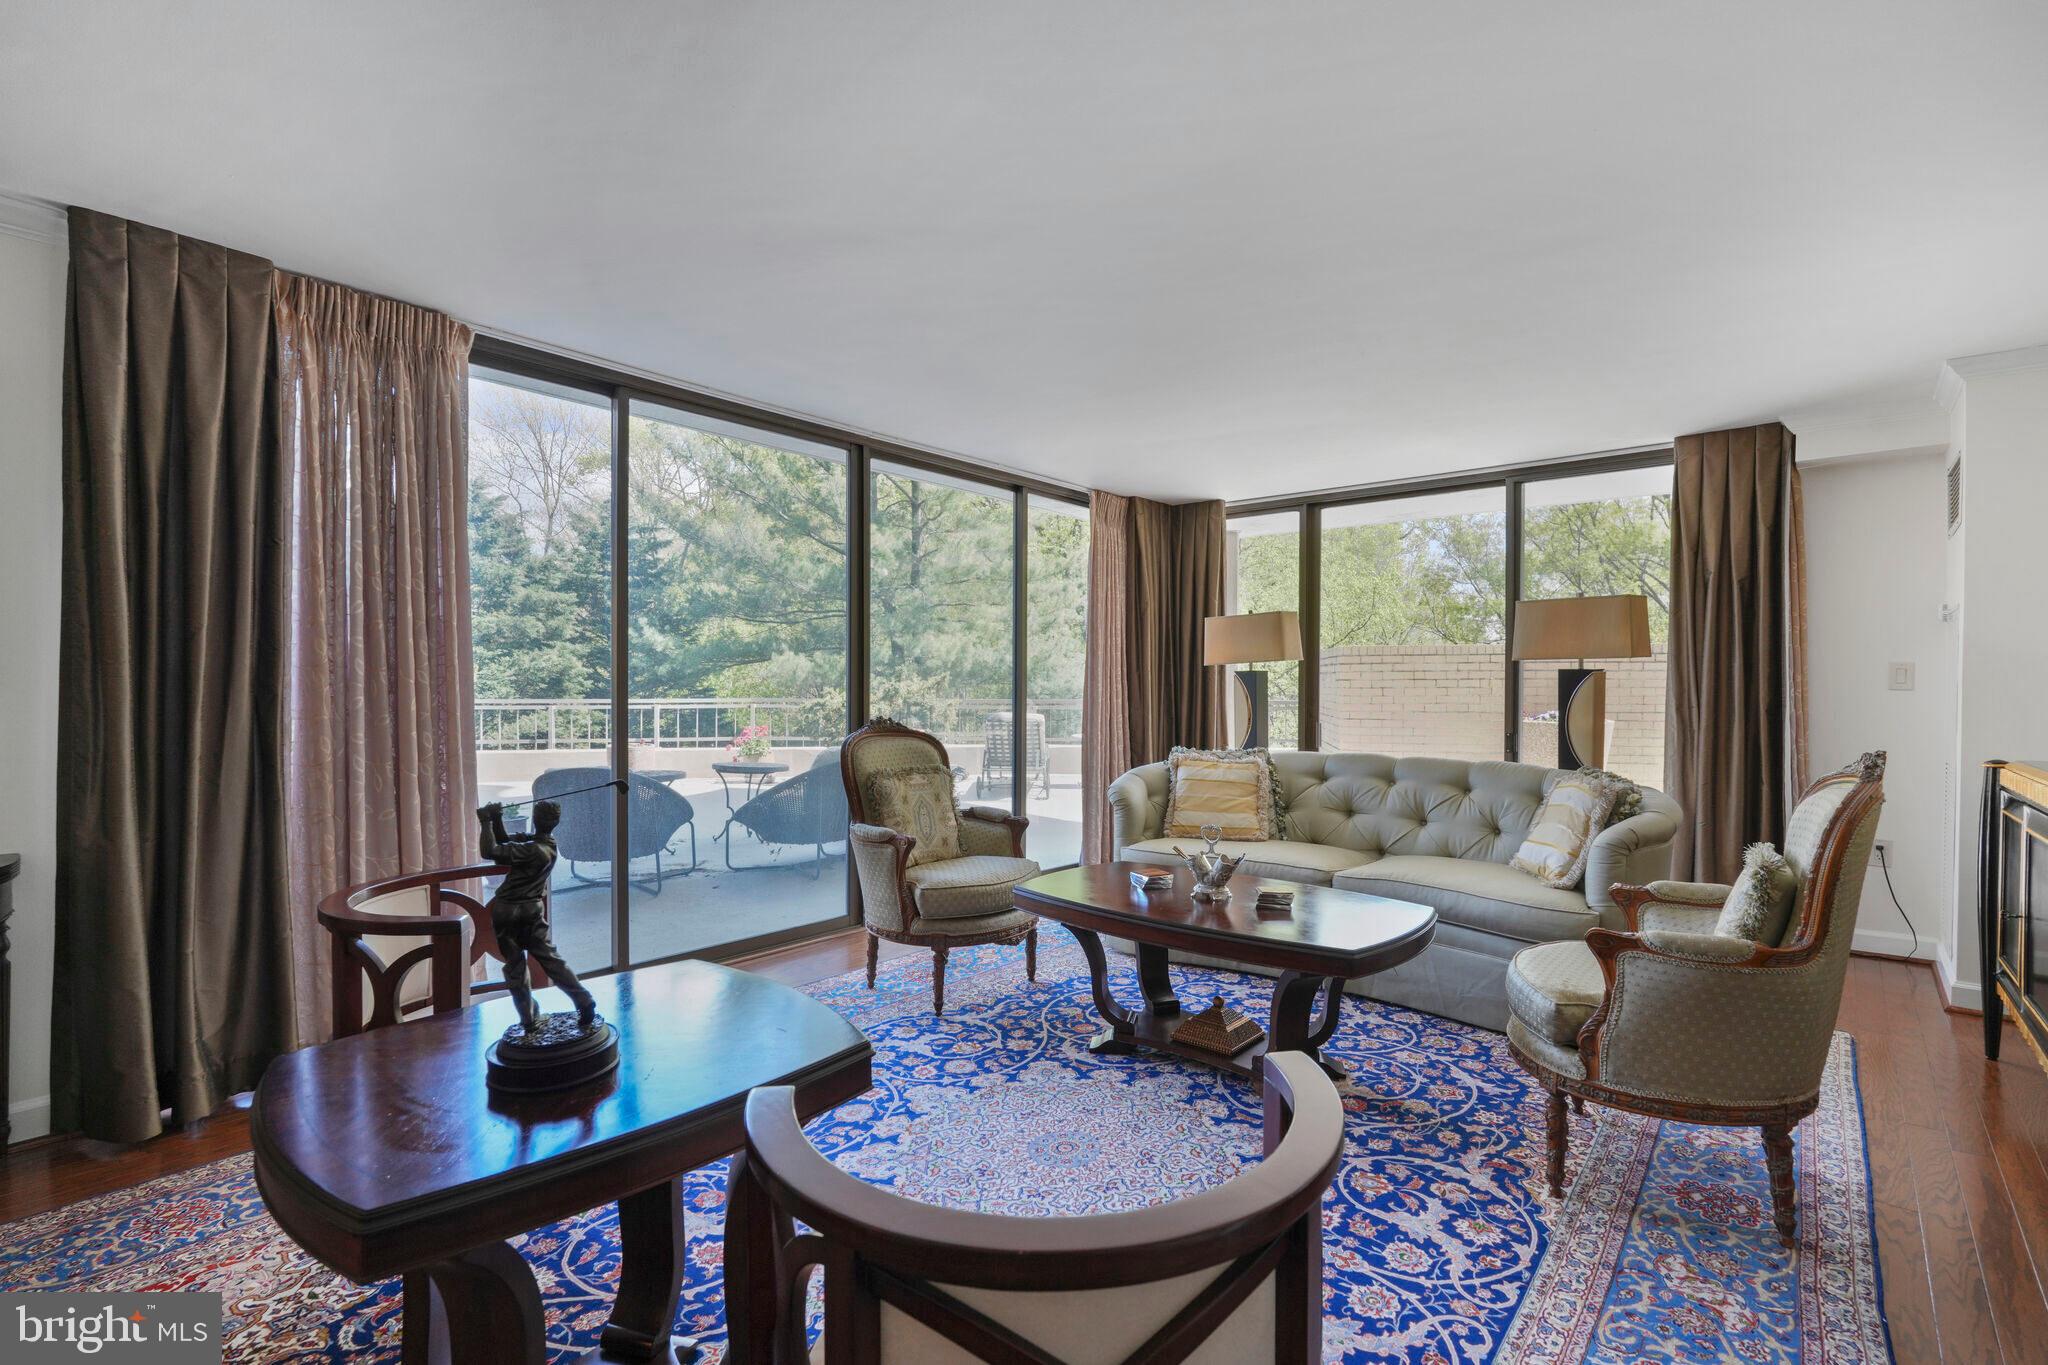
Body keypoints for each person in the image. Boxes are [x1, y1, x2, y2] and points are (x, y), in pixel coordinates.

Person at [478, 800, 597, 1033]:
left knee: (515, 966)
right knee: (551, 959)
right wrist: (498, 819)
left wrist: (485, 821)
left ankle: (528, 1018)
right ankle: (582, 1000)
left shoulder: (532, 849)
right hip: (531, 910)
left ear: (534, 819)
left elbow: (490, 851)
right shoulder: (547, 845)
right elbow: (504, 842)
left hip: (508, 911)